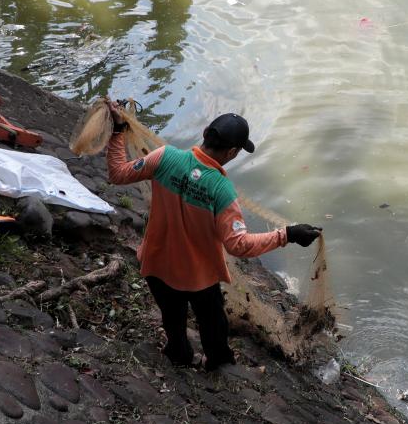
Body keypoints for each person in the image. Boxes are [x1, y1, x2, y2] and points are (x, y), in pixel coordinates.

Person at [104, 104, 321, 370]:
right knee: (213, 325)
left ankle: (179, 356)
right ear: (231, 152)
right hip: (198, 277)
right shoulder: (221, 189)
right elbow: (238, 245)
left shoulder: (163, 157)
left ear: (206, 132)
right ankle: (217, 364)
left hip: (157, 264)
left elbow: (117, 173)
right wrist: (287, 234)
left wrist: (118, 130)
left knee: (173, 320)